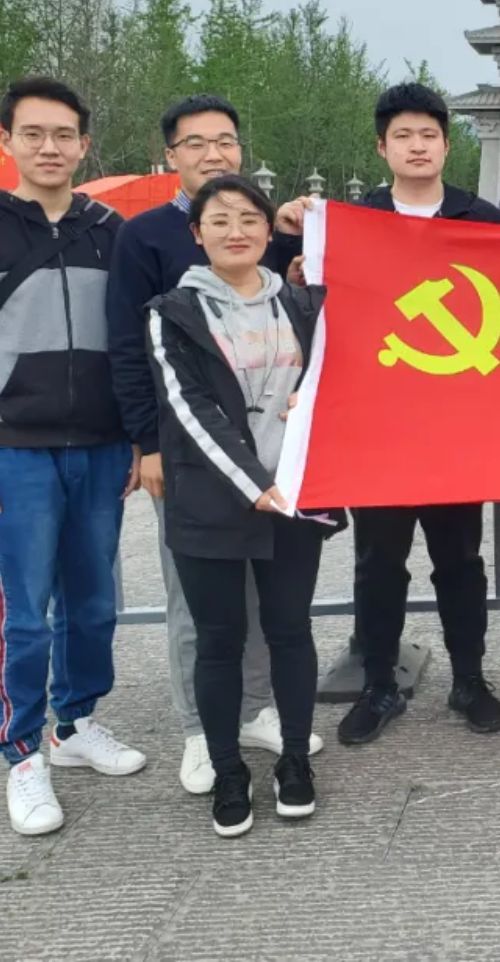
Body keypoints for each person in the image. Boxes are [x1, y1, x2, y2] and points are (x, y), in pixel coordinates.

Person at [0, 76, 146, 836]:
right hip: (9, 449)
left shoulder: (110, 230)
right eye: (34, 133)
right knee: (20, 611)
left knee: (93, 602)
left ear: (85, 144)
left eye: (64, 135)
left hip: (101, 447)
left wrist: (138, 437)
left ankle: (74, 723)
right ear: (7, 140)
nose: (50, 147)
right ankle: (21, 752)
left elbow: (133, 338)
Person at [106, 94, 320, 795]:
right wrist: (147, 443)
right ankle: (201, 731)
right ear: (171, 154)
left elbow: (316, 328)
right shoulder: (145, 238)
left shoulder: (271, 236)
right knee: (201, 608)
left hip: (281, 471)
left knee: (273, 607)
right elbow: (130, 349)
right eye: (195, 143)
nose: (212, 153)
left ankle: (255, 709)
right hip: (193, 459)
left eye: (224, 140)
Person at [146, 175, 340, 838]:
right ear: (196, 234)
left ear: (267, 228)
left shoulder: (304, 302)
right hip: (212, 501)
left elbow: (342, 371)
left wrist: (316, 404)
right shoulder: (172, 312)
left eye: (250, 218)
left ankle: (294, 760)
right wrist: (253, 484)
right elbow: (189, 410)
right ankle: (228, 770)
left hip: (294, 498)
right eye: (220, 220)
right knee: (219, 640)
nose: (237, 231)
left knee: (289, 630)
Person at [337, 82, 500, 744]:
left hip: (458, 427)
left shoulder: (483, 219)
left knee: (460, 560)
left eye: (429, 135)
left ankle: (470, 679)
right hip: (379, 427)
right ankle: (378, 683)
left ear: (446, 144)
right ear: (382, 147)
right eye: (403, 136)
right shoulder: (352, 222)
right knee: (379, 563)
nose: (417, 146)